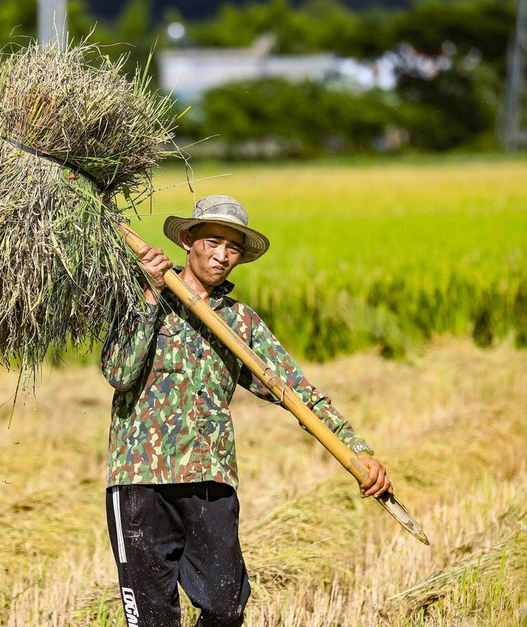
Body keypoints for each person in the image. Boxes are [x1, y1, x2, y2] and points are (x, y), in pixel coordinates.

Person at [100, 195, 393, 626]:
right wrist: (150, 294)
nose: (221, 256)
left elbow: (297, 391)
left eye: (232, 248)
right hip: (141, 481)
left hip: (210, 476)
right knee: (151, 620)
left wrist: (357, 449)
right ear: (188, 239)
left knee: (225, 606)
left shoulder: (241, 323)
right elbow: (119, 372)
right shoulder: (142, 299)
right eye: (212, 241)